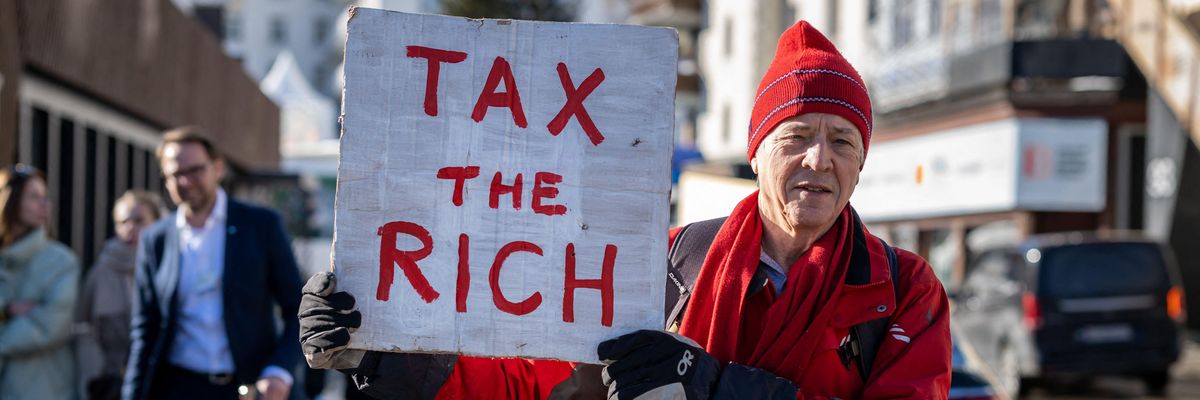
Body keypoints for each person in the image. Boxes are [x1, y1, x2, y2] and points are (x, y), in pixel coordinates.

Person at [299, 21, 953, 399]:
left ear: (862, 160)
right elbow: (535, 380)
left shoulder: (904, 292)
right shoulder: (661, 257)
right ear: (756, 154)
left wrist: (713, 385)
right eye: (795, 138)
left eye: (841, 141)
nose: (818, 160)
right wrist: (380, 352)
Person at [122, 127, 305, 400]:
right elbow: (144, 329)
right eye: (176, 174)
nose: (186, 181)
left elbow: (298, 309)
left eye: (195, 170)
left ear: (218, 168)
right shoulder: (155, 239)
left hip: (250, 387)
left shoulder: (260, 225)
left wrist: (280, 370)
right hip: (179, 387)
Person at [0, 164, 81, 399]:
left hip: (40, 386)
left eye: (46, 197)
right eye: (34, 197)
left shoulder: (61, 261)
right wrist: (8, 310)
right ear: (10, 199)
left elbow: (50, 325)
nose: (45, 205)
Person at [76, 190, 163, 400]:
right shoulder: (102, 269)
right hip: (112, 382)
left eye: (139, 220)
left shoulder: (168, 264)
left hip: (161, 379)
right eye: (123, 221)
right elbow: (84, 328)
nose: (130, 228)